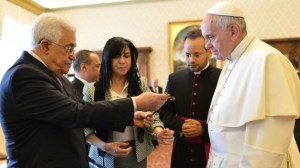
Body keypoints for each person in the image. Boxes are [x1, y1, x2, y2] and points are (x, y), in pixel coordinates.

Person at [0, 13, 169, 168]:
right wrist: (135, 103)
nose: (73, 56)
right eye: (69, 48)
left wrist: (130, 117)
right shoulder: (24, 75)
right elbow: (76, 113)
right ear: (45, 45)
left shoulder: (57, 76)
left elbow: (82, 109)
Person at [201, 2, 300, 167]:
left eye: (211, 37)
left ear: (233, 31)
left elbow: (268, 143)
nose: (207, 46)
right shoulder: (230, 63)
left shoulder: (267, 60)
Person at [82, 37, 174, 168]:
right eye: (116, 56)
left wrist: (159, 132)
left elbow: (153, 115)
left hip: (136, 152)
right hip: (104, 152)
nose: (122, 61)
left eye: (126, 56)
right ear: (107, 59)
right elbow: (84, 127)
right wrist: (104, 146)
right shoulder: (92, 89)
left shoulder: (140, 85)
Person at [159, 28, 221, 168]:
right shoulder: (175, 79)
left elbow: (230, 116)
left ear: (209, 52)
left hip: (212, 150)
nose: (191, 59)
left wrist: (204, 129)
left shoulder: (222, 78)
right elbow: (164, 112)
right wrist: (181, 126)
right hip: (181, 150)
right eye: (187, 54)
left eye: (197, 54)